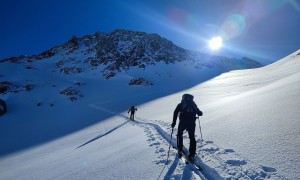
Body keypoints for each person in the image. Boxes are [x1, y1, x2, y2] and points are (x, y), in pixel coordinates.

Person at [171, 94, 203, 159]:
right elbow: (199, 112)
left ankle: (180, 148)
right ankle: (192, 153)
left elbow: (175, 113)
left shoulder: (181, 104)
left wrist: (174, 122)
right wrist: (200, 113)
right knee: (192, 137)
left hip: (183, 122)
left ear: (183, 98)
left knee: (179, 134)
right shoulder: (193, 104)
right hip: (192, 122)